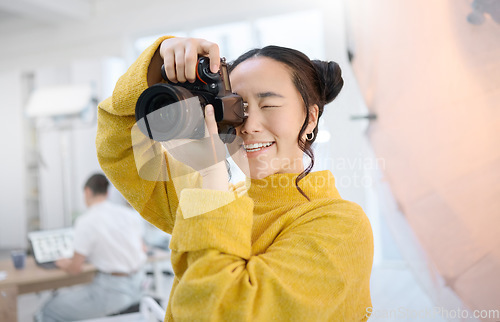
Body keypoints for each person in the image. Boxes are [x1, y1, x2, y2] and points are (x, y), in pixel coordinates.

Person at [96, 36, 374, 321]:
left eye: (268, 106)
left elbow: (222, 312)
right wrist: (157, 61)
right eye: (237, 108)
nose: (249, 126)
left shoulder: (342, 226)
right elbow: (115, 141)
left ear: (311, 118)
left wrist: (212, 174)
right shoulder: (213, 194)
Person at [37, 173, 147, 321]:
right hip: (139, 287)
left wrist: (63, 263)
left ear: (87, 192)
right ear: (107, 193)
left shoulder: (86, 221)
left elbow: (75, 268)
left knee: (49, 309)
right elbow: (143, 248)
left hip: (112, 293)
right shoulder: (129, 215)